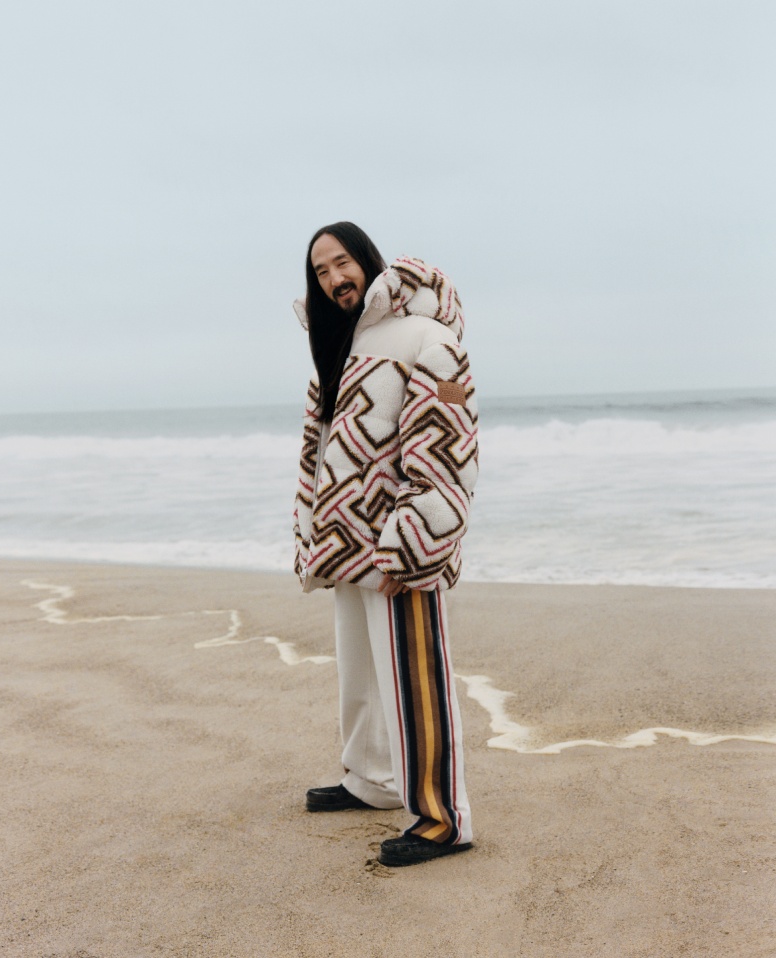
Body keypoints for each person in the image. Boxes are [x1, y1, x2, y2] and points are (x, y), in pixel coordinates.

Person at [292, 221, 478, 867]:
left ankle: (444, 818)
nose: (334, 278)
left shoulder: (427, 337)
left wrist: (415, 547)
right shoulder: (339, 346)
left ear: (369, 262)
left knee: (415, 681)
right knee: (363, 673)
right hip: (347, 540)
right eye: (321, 271)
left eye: (342, 263)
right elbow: (322, 449)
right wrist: (315, 533)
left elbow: (446, 449)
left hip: (400, 543)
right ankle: (372, 780)